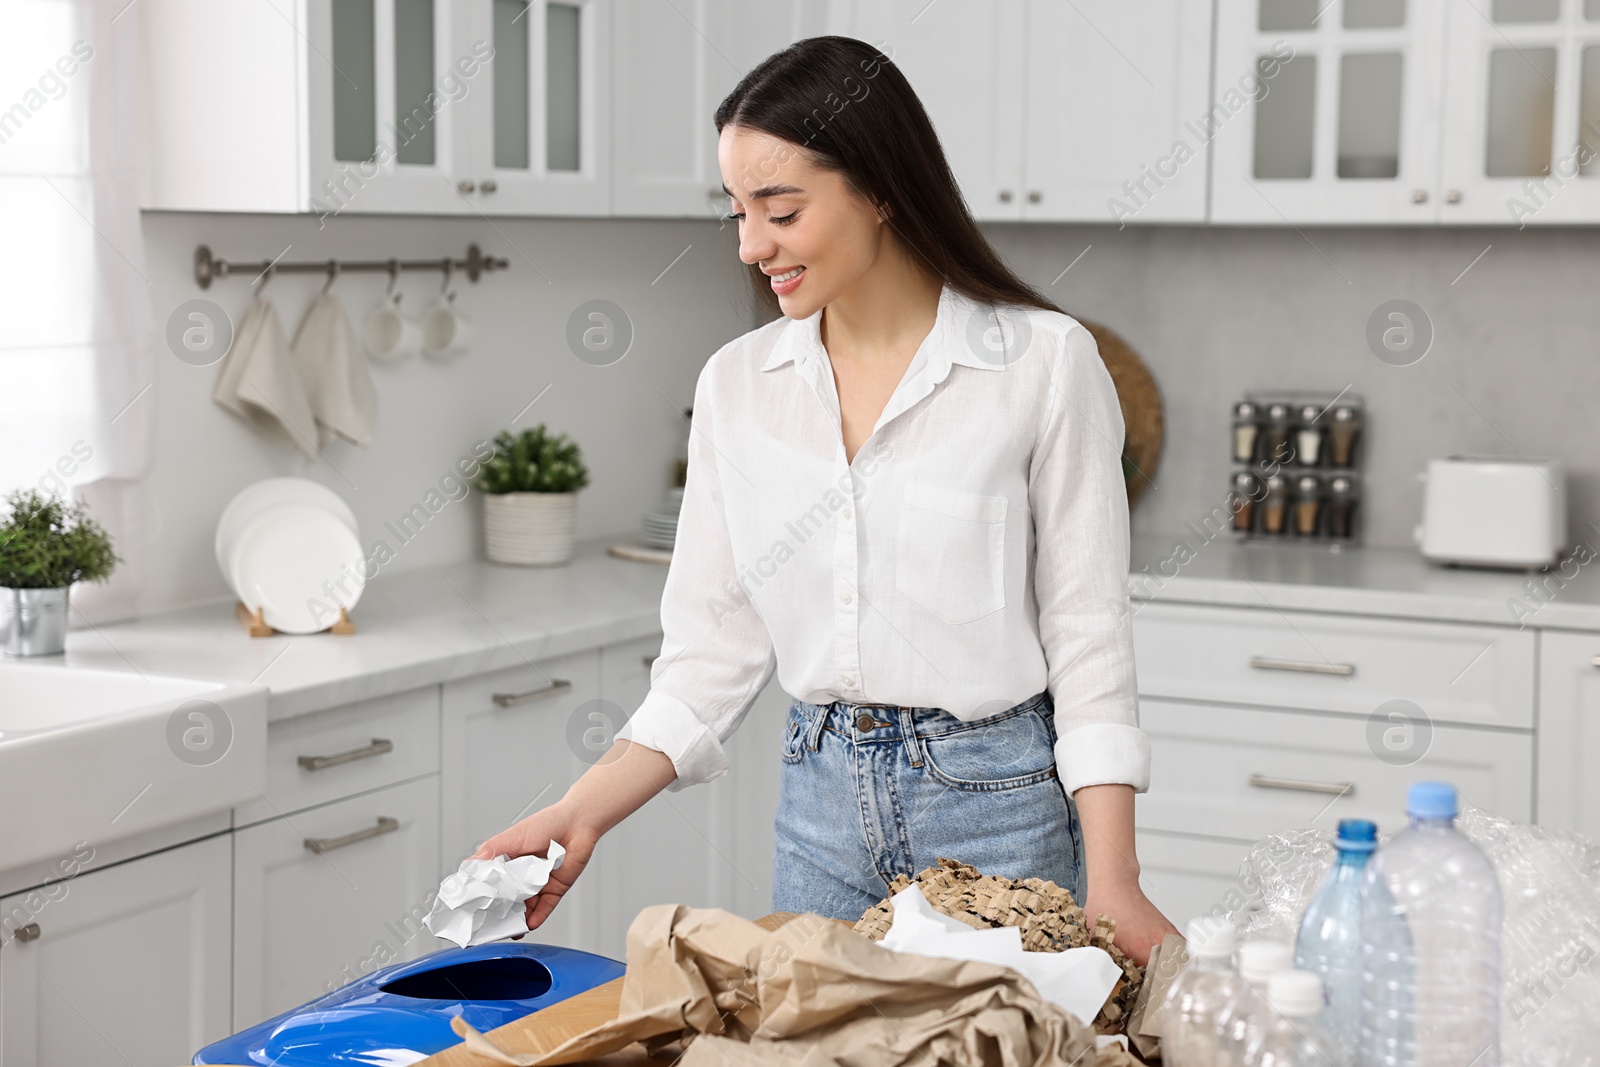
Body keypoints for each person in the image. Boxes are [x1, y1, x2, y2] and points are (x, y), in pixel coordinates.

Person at [474, 35, 1178, 966]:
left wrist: (1114, 877)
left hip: (998, 807)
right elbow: (707, 656)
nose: (750, 245)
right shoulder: (739, 384)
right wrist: (578, 812)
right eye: (736, 211)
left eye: (781, 209)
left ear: (881, 187)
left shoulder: (1044, 364)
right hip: (818, 806)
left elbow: (1089, 636)